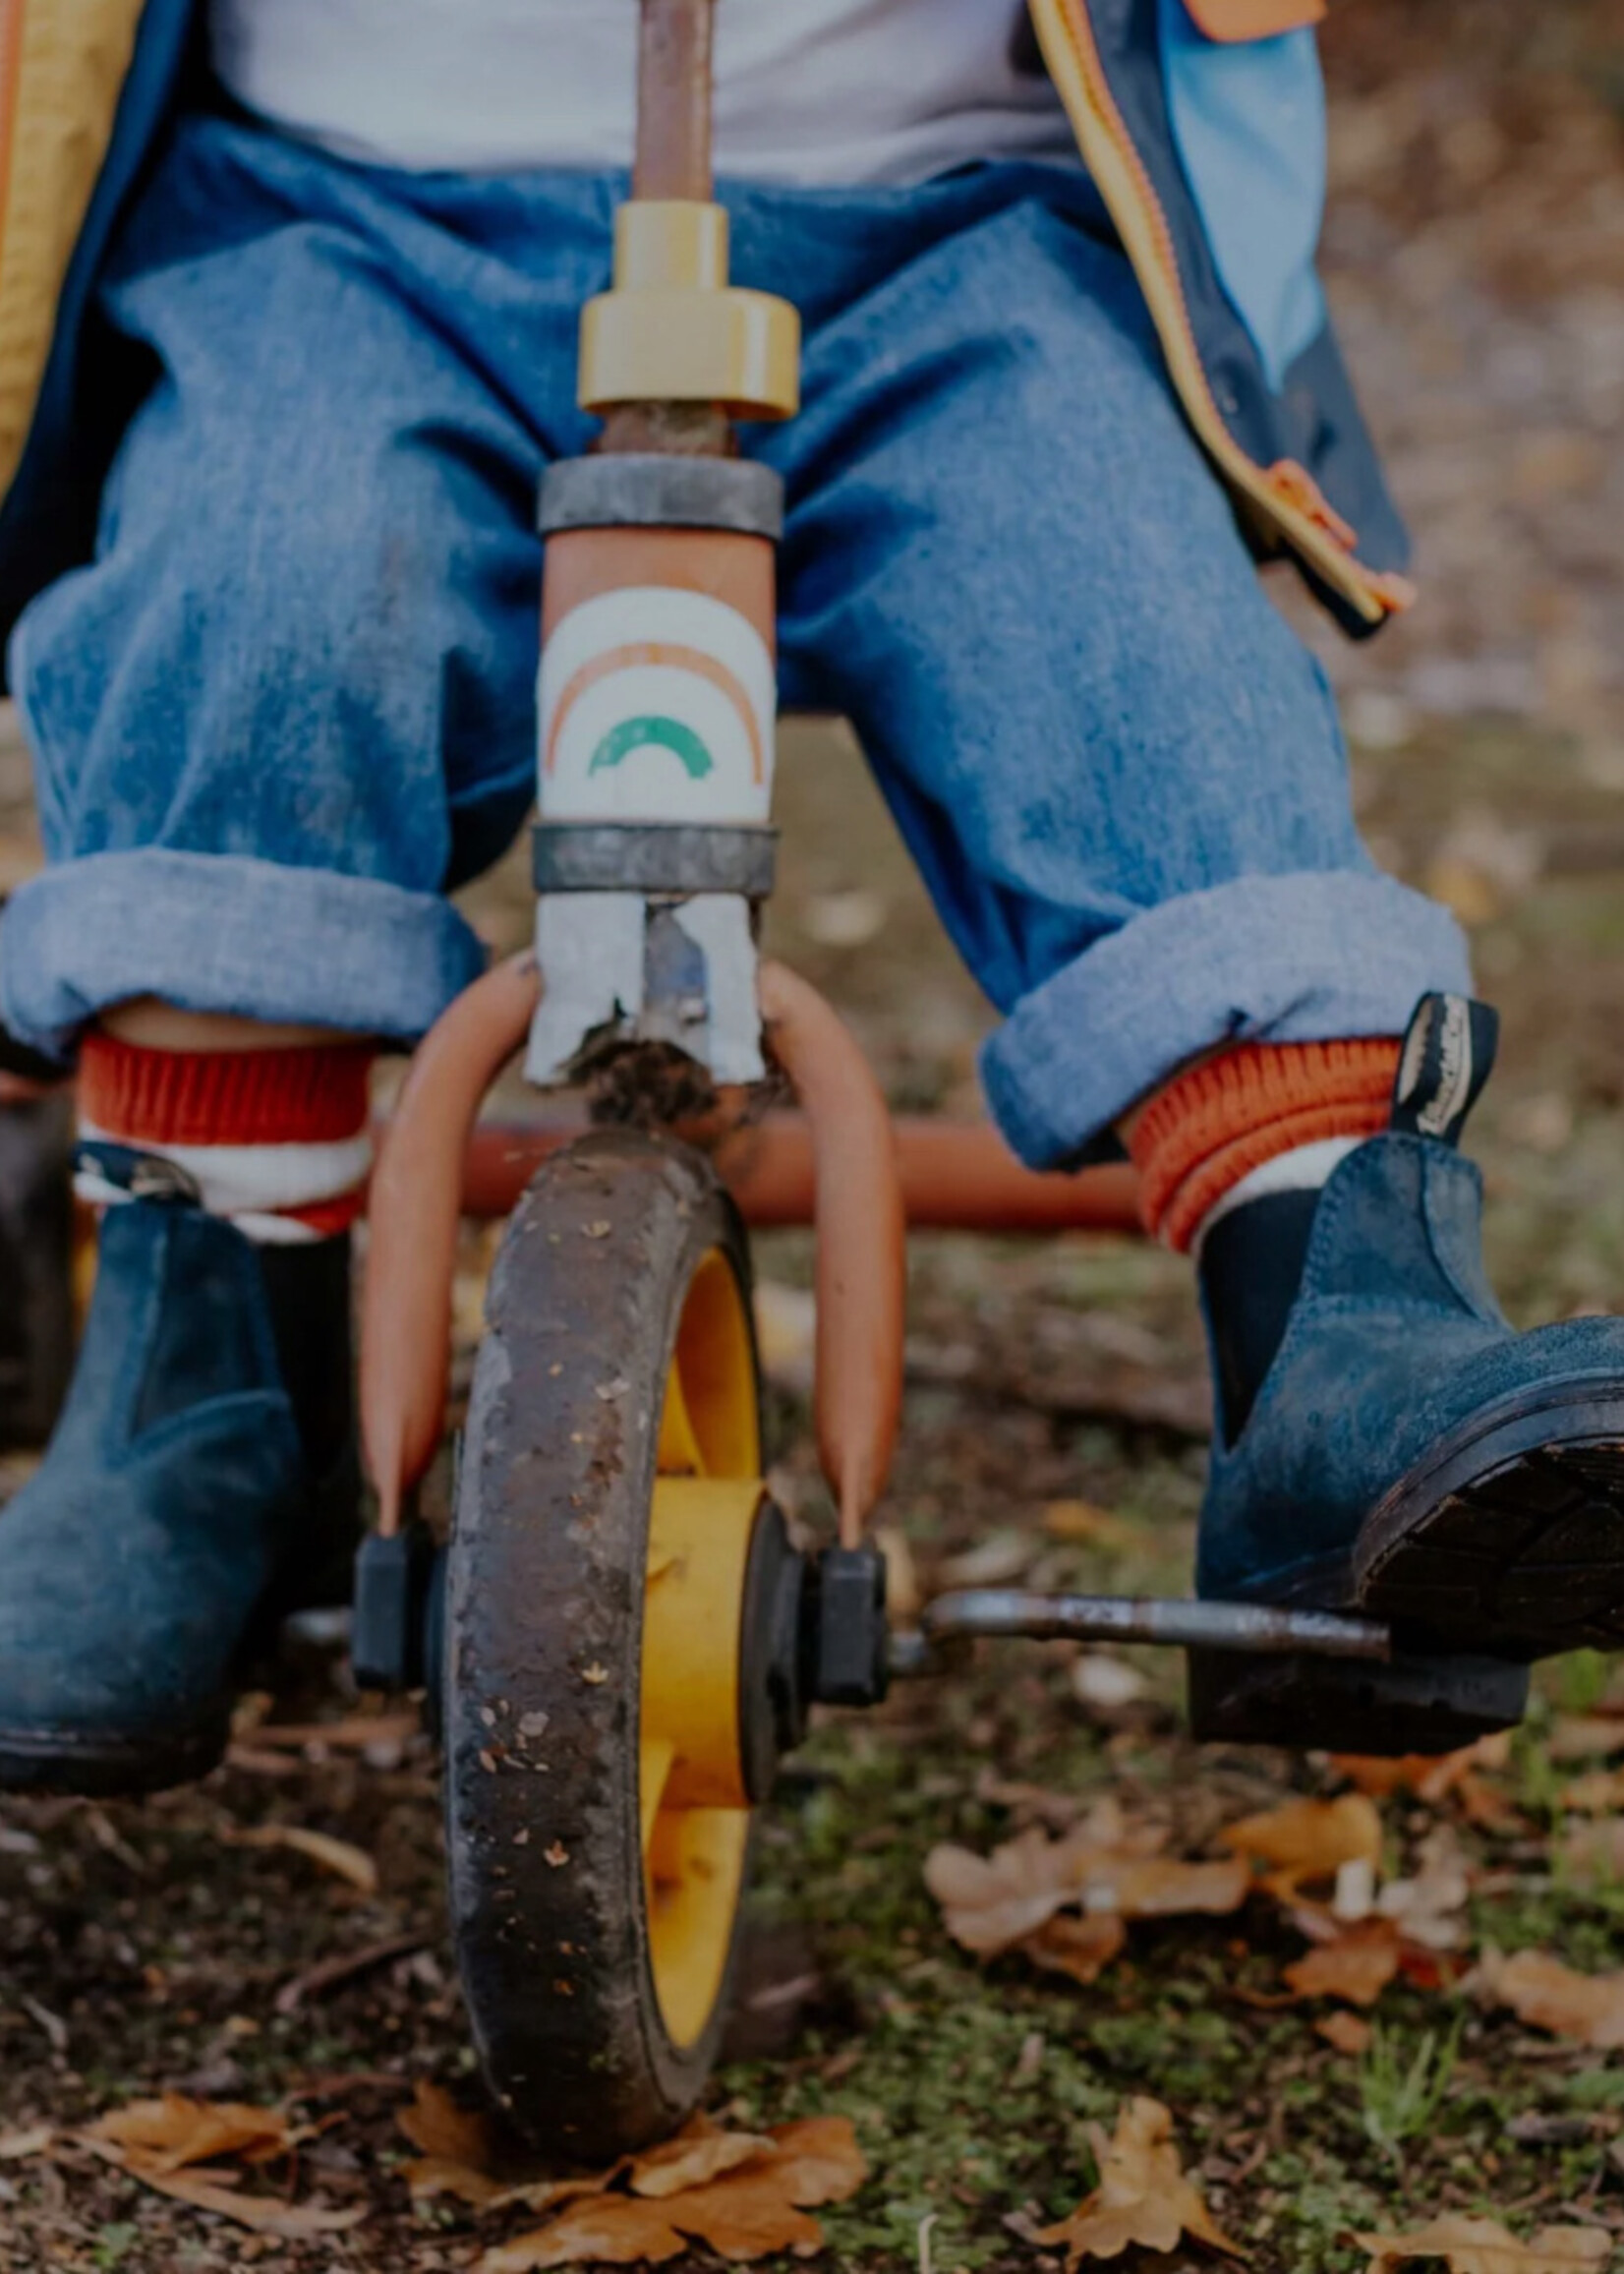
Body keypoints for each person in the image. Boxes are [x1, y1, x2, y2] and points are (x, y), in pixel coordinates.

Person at [0, 0, 1619, 1789]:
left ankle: (1335, 1331)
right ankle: (204, 1394)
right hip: (345, 217)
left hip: (941, 217)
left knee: (1131, 649)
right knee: (254, 616)